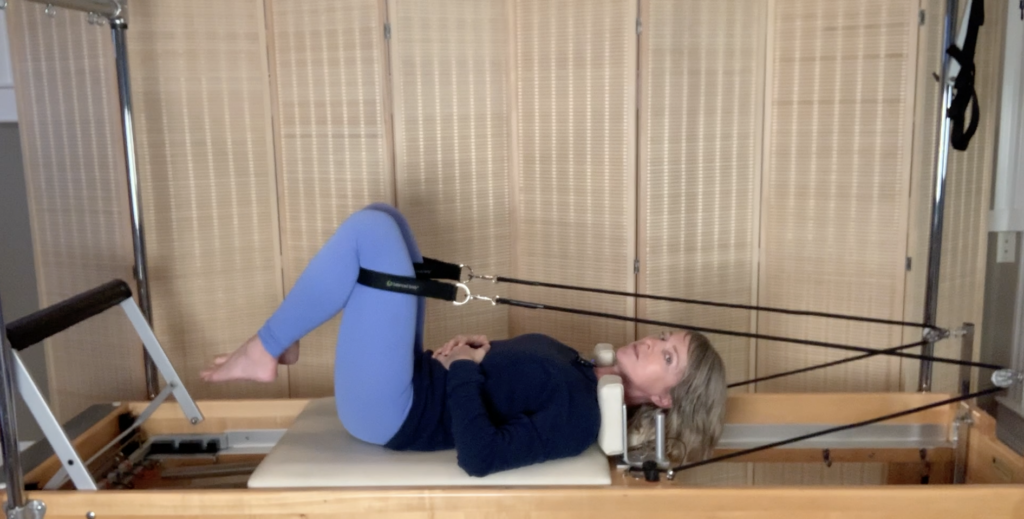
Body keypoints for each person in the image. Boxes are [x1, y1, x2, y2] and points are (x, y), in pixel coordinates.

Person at [201, 203, 728, 476]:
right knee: (390, 221)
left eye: (667, 355)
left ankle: (265, 349)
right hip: (415, 379)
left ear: (664, 398)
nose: (649, 343)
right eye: (662, 336)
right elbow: (506, 385)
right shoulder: (584, 368)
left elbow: (480, 455)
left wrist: (466, 372)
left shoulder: (580, 419)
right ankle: (284, 340)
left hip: (393, 414)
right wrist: (481, 353)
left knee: (370, 232)